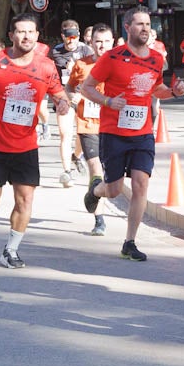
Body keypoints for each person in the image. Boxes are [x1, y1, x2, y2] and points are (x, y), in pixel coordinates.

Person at [78, 7, 184, 261]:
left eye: (148, 24)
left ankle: (130, 242)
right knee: (114, 189)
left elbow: (156, 88)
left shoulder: (157, 59)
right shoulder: (113, 57)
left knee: (141, 184)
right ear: (127, 28)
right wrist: (107, 102)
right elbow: (87, 87)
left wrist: (174, 92)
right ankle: (96, 190)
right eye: (139, 24)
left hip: (142, 132)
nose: (146, 29)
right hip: (114, 132)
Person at [0, 12, 70, 269]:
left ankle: (10, 250)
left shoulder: (45, 66)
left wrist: (63, 103)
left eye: (30, 32)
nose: (26, 36)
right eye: (20, 32)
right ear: (11, 36)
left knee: (25, 200)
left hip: (25, 146)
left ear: (37, 36)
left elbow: (58, 92)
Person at [67, 24, 117, 236]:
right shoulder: (81, 65)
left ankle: (93, 195)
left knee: (109, 175)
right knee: (96, 171)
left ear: (113, 42)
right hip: (87, 124)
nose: (102, 45)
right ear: (90, 42)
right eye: (98, 41)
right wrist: (72, 98)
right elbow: (69, 87)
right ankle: (99, 220)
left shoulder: (119, 65)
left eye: (106, 41)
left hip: (112, 127)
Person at [50, 20, 94, 187]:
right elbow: (67, 70)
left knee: (81, 134)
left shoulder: (86, 50)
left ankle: (76, 155)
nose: (72, 41)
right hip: (64, 95)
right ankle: (67, 172)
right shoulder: (56, 51)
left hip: (84, 96)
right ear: (63, 37)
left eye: (75, 38)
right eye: (68, 38)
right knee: (64, 133)